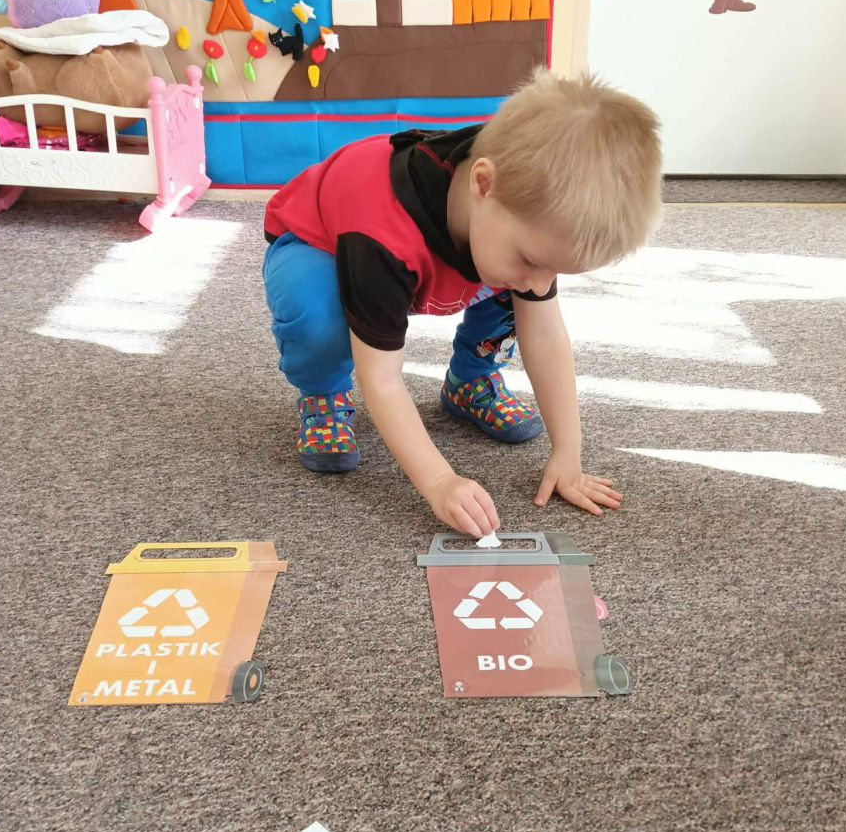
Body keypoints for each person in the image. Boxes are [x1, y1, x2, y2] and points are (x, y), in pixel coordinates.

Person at [262, 68, 662, 538]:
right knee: (318, 316)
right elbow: (382, 378)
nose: (539, 283)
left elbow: (544, 333)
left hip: (434, 255)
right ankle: (323, 393)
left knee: (513, 287)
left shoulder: (518, 201)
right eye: (533, 260)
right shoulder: (379, 237)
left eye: (553, 270)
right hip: (320, 245)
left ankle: (469, 380)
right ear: (483, 184)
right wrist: (439, 481)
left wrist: (568, 453)